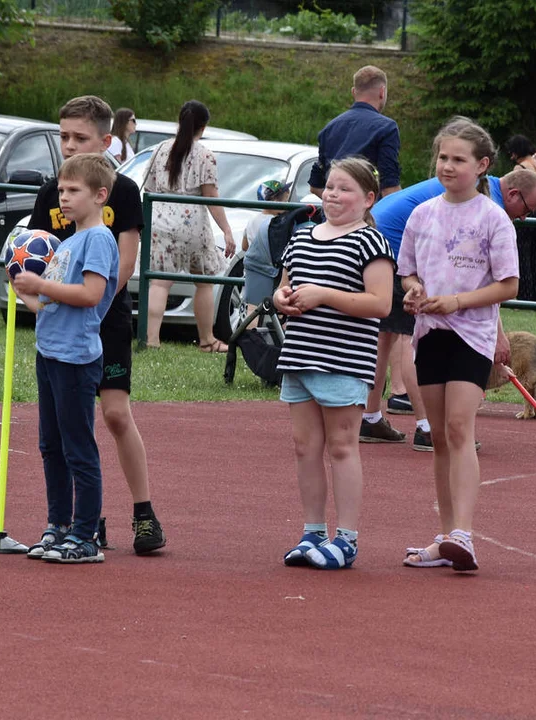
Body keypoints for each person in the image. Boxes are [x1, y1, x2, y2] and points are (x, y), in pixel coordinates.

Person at [27, 95, 165, 555]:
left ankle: (142, 512)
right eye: (63, 136)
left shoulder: (121, 192)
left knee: (112, 415)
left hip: (100, 320)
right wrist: (36, 294)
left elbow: (120, 266)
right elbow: (37, 252)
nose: (68, 145)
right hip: (60, 322)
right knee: (61, 433)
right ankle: (78, 522)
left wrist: (87, 307)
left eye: (80, 138)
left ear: (106, 141)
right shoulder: (55, 190)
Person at [398, 117, 519, 572]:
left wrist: (457, 302)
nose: (447, 166)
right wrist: (413, 290)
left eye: (458, 159)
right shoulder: (422, 213)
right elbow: (408, 270)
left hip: (472, 336)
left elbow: (508, 285)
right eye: (443, 157)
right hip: (429, 334)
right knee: (438, 440)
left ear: (482, 165)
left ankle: (464, 534)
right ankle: (446, 537)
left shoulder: (493, 218)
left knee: (457, 428)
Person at [361, 168, 536, 452]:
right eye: (527, 209)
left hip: (375, 235)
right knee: (414, 336)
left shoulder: (478, 190)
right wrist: (497, 335)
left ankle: (369, 418)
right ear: (512, 194)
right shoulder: (487, 205)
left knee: (385, 333)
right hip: (392, 245)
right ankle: (426, 428)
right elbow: (482, 277)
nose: (523, 217)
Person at [274, 157, 393, 570]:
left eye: (344, 189)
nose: (333, 195)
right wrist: (282, 299)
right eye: (329, 187)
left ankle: (346, 538)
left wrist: (323, 295)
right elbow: (283, 287)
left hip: (344, 360)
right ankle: (312, 532)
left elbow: (380, 303)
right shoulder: (302, 236)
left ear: (368, 199)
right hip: (301, 356)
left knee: (342, 447)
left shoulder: (370, 242)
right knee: (305, 447)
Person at [14, 153, 120, 564]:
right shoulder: (68, 243)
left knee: (78, 447)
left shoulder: (98, 239)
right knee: (50, 445)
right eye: (61, 190)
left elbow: (91, 295)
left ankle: (85, 534)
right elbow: (51, 305)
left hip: (76, 359)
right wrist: (28, 292)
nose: (64, 197)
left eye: (74, 190)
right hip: (50, 354)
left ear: (99, 195)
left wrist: (42, 284)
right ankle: (57, 525)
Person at [141, 100, 235, 352]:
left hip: (160, 219)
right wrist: (226, 229)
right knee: (204, 282)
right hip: (192, 222)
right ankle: (207, 340)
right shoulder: (206, 155)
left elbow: (148, 188)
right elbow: (210, 196)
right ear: (203, 127)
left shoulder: (160, 149)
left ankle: (151, 340)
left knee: (159, 283)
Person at [309, 66, 401, 199]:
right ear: (382, 91)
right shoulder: (387, 128)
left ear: (353, 92)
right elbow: (389, 188)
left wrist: (339, 203)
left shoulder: (329, 128)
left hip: (332, 216)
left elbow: (315, 186)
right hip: (366, 216)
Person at [240, 179, 293, 324]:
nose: (287, 203)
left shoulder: (252, 220)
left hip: (252, 271)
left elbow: (244, 246)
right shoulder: (276, 223)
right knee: (278, 308)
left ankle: (251, 338)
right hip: (270, 272)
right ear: (274, 201)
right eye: (284, 199)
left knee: (252, 308)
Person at [504, 135, 536, 302]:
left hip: (526, 209)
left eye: (512, 152)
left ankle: (524, 297)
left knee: (522, 255)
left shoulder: (519, 169)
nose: (511, 156)